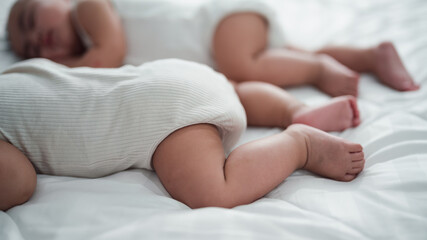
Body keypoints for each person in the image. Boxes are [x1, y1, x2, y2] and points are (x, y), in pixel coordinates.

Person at [0, 58, 363, 211]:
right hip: (174, 75)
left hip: (162, 119)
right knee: (230, 91)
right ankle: (291, 109)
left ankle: (300, 143)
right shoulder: (10, 78)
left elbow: (16, 182)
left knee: (214, 191)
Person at [6, 0, 420, 97]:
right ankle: (369, 55)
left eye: (30, 20)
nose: (36, 40)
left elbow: (107, 55)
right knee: (277, 56)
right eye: (28, 52)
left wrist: (59, 71)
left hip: (220, 21)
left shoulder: (88, 11)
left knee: (242, 64)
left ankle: (317, 70)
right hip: (222, 41)